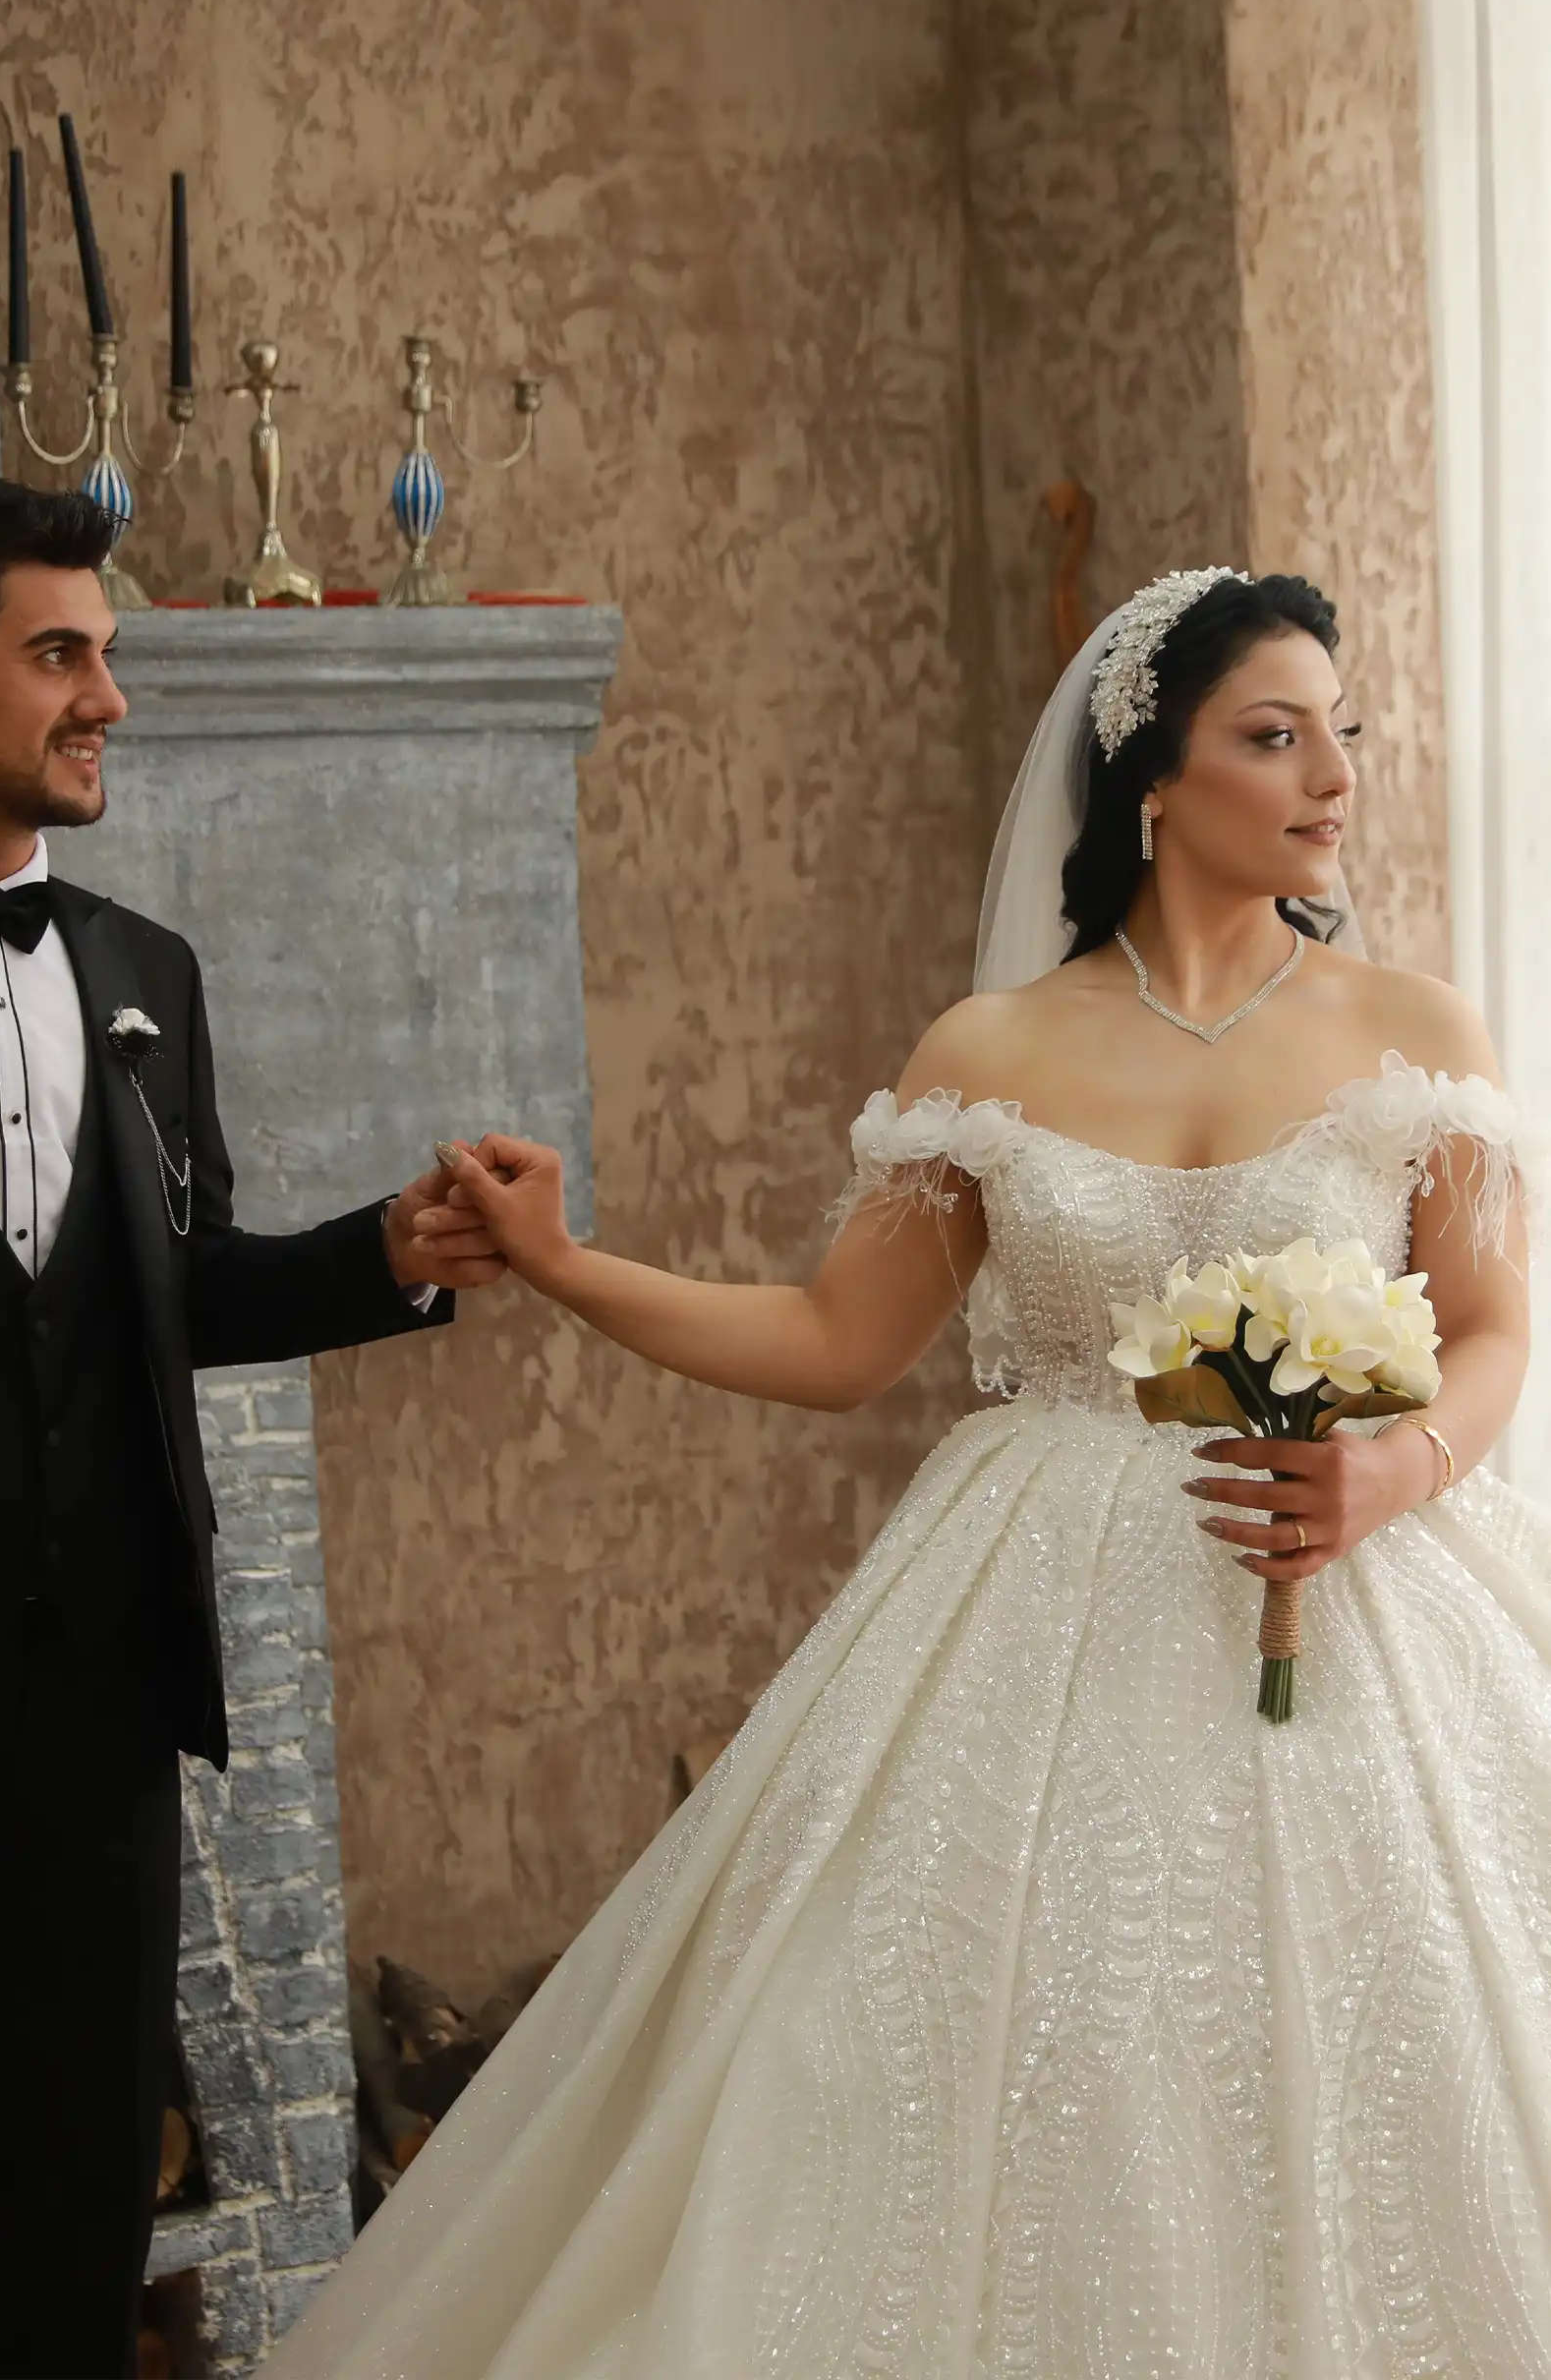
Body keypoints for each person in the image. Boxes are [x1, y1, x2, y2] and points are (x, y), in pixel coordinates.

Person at [270, 568, 1551, 2379]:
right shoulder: (991, 1054)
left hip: (1354, 1582)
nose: (1333, 773)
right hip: (1039, 1617)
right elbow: (832, 1340)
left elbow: (1490, 1330)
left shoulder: (1413, 1028)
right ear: (1153, 778)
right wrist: (564, 1264)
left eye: (1341, 731)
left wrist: (1392, 1475)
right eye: (1275, 736)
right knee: (1013, 2045)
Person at [0, 476, 505, 2380]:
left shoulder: (147, 975)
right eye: (60, 654)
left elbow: (177, 1289)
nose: (109, 699)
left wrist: (384, 1255)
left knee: (82, 2205)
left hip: (98, 1680)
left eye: (109, 655)